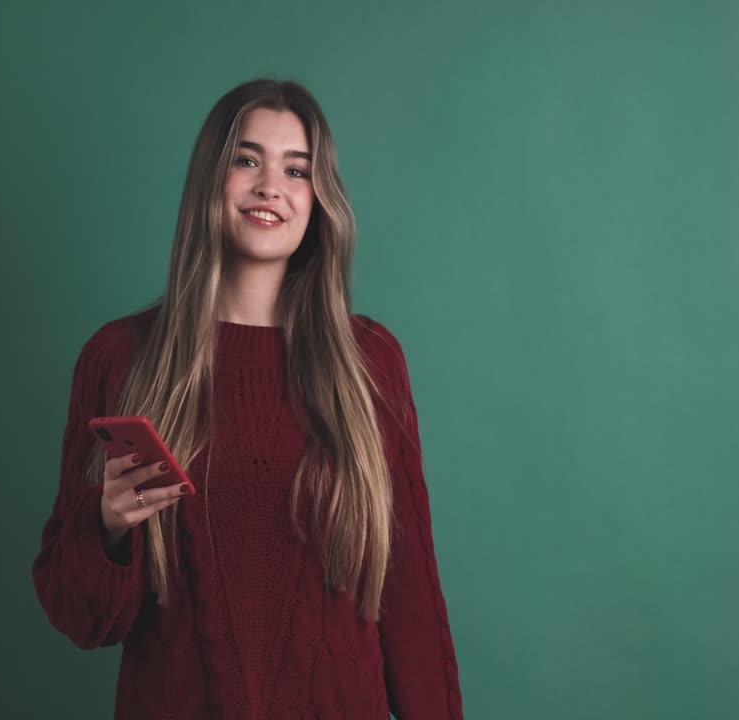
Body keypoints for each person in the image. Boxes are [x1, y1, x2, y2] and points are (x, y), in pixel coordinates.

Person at [31, 78, 463, 719]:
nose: (270, 186)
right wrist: (110, 526)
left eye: (297, 169)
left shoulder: (370, 362)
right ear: (212, 177)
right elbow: (83, 620)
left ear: (319, 201)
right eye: (246, 159)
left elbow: (410, 606)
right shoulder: (121, 357)